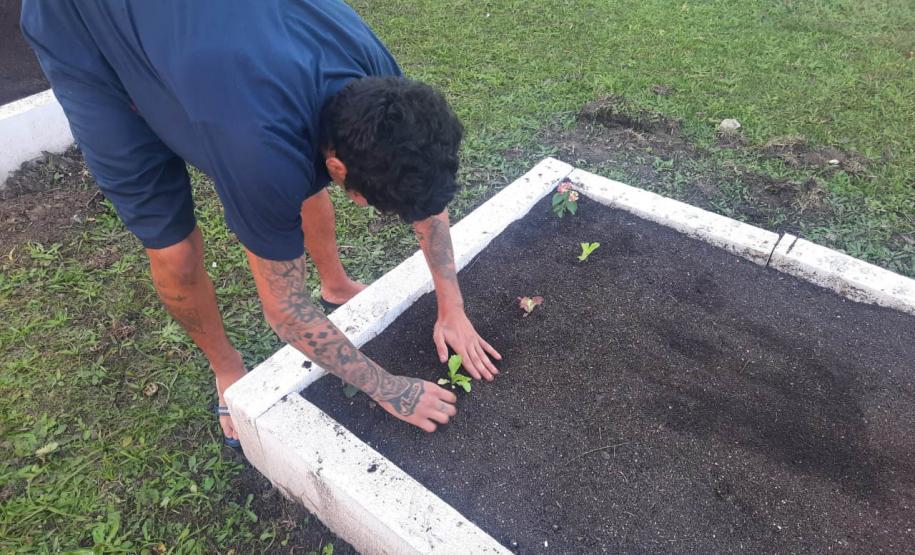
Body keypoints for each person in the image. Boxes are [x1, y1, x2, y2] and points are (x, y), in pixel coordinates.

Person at [21, 0, 501, 446]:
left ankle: (335, 285)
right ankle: (227, 369)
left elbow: (426, 198)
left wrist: (451, 306)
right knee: (174, 248)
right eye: (368, 200)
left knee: (297, 167)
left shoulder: (386, 88)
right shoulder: (260, 153)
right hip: (81, 25)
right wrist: (391, 390)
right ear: (339, 169)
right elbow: (286, 310)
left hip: (203, 38)